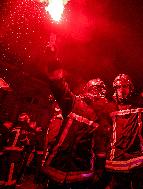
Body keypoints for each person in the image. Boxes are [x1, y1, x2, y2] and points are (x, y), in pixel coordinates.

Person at [41, 47, 111, 189]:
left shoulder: (102, 116)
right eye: (95, 90)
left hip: (82, 173)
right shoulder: (74, 103)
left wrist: (99, 170)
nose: (98, 94)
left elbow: (100, 147)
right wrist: (53, 60)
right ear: (88, 90)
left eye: (101, 91)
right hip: (57, 167)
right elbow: (59, 86)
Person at [105, 74, 143, 189]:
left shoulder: (141, 103)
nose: (122, 90)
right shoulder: (109, 107)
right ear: (115, 89)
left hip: (138, 157)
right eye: (119, 87)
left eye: (125, 86)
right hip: (117, 158)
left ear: (130, 88)